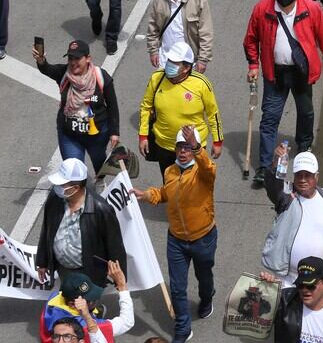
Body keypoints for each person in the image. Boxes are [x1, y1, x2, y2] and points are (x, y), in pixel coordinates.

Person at [243, 0, 323, 186]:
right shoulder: (262, 9)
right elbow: (251, 39)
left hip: (301, 72)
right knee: (269, 119)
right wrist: (253, 65)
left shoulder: (311, 8)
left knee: (306, 113)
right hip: (274, 73)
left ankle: (304, 147)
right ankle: (264, 166)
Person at [132, 126, 219, 343]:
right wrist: (148, 195)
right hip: (176, 240)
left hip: (203, 238)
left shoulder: (203, 171)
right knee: (178, 288)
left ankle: (207, 297)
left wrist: (197, 147)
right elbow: (166, 193)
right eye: (180, 147)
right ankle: (183, 328)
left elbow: (209, 168)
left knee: (204, 277)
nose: (183, 151)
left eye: (188, 147)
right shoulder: (170, 171)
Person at [36, 158, 127, 288]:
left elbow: (115, 246)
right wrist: (42, 262)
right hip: (63, 269)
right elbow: (47, 229)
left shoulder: (101, 209)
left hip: (89, 273)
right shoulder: (55, 199)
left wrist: (120, 281)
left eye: (62, 184)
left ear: (76, 188)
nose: (57, 188)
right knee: (67, 297)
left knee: (83, 300)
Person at [260, 149, 323, 286]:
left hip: (318, 282)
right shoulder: (286, 195)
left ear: (317, 177)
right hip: (287, 280)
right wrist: (276, 163)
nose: (303, 180)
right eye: (299, 175)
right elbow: (272, 184)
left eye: (308, 175)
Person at [34, 40, 119, 173]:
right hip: (69, 136)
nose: (73, 62)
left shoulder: (101, 76)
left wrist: (114, 133)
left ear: (88, 58)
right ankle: (79, 186)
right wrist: (40, 59)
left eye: (77, 58)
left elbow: (112, 107)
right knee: (74, 173)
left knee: (99, 164)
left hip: (97, 136)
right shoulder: (63, 73)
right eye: (70, 58)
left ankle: (99, 181)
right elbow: (46, 68)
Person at [138, 42, 224, 176]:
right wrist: (143, 136)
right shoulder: (157, 78)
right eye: (169, 60)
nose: (169, 65)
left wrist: (217, 142)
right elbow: (146, 107)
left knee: (192, 185)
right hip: (164, 146)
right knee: (169, 184)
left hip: (191, 148)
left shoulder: (201, 83)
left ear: (186, 67)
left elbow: (213, 114)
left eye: (175, 63)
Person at [146, 0, 214, 73]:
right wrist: (153, 51)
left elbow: (206, 33)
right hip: (164, 58)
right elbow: (153, 26)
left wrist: (203, 60)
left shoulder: (199, 0)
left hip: (188, 62)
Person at [40, 261, 134, 343]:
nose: (96, 300)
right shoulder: (82, 326)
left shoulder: (55, 297)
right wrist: (122, 286)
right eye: (91, 300)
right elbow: (126, 322)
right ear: (72, 304)